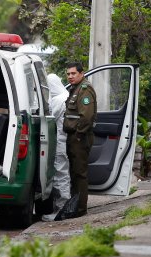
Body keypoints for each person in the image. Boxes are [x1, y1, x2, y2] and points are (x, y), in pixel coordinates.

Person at [63, 62, 97, 218]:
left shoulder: (85, 89)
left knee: (80, 173)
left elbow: (87, 117)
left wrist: (78, 135)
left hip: (80, 137)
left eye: (73, 73)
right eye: (68, 74)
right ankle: (75, 205)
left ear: (82, 73)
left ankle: (80, 208)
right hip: (74, 136)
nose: (70, 76)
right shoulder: (75, 89)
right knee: (74, 173)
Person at [42, 73, 71, 222]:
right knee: (63, 173)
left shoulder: (58, 100)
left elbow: (49, 117)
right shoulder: (66, 95)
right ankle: (62, 207)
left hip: (61, 142)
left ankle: (62, 209)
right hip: (65, 141)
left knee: (61, 175)